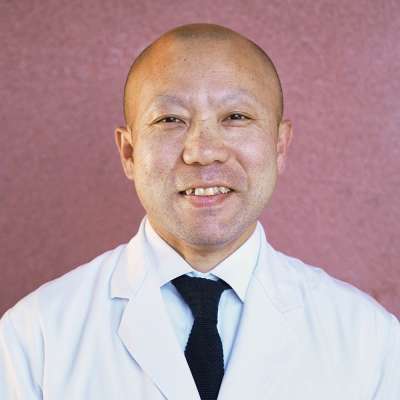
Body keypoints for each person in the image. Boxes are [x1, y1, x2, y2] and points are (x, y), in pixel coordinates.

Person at [0, 23, 399, 400]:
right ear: (129, 152)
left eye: (236, 117)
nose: (203, 151)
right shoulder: (34, 337)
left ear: (279, 146)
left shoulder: (369, 339)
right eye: (170, 119)